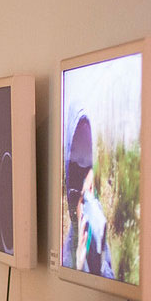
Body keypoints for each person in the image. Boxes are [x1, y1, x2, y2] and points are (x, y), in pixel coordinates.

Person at [62, 106, 114, 279]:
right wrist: (79, 266)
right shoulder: (67, 251)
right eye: (76, 154)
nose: (83, 169)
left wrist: (96, 266)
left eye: (87, 157)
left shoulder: (97, 226)